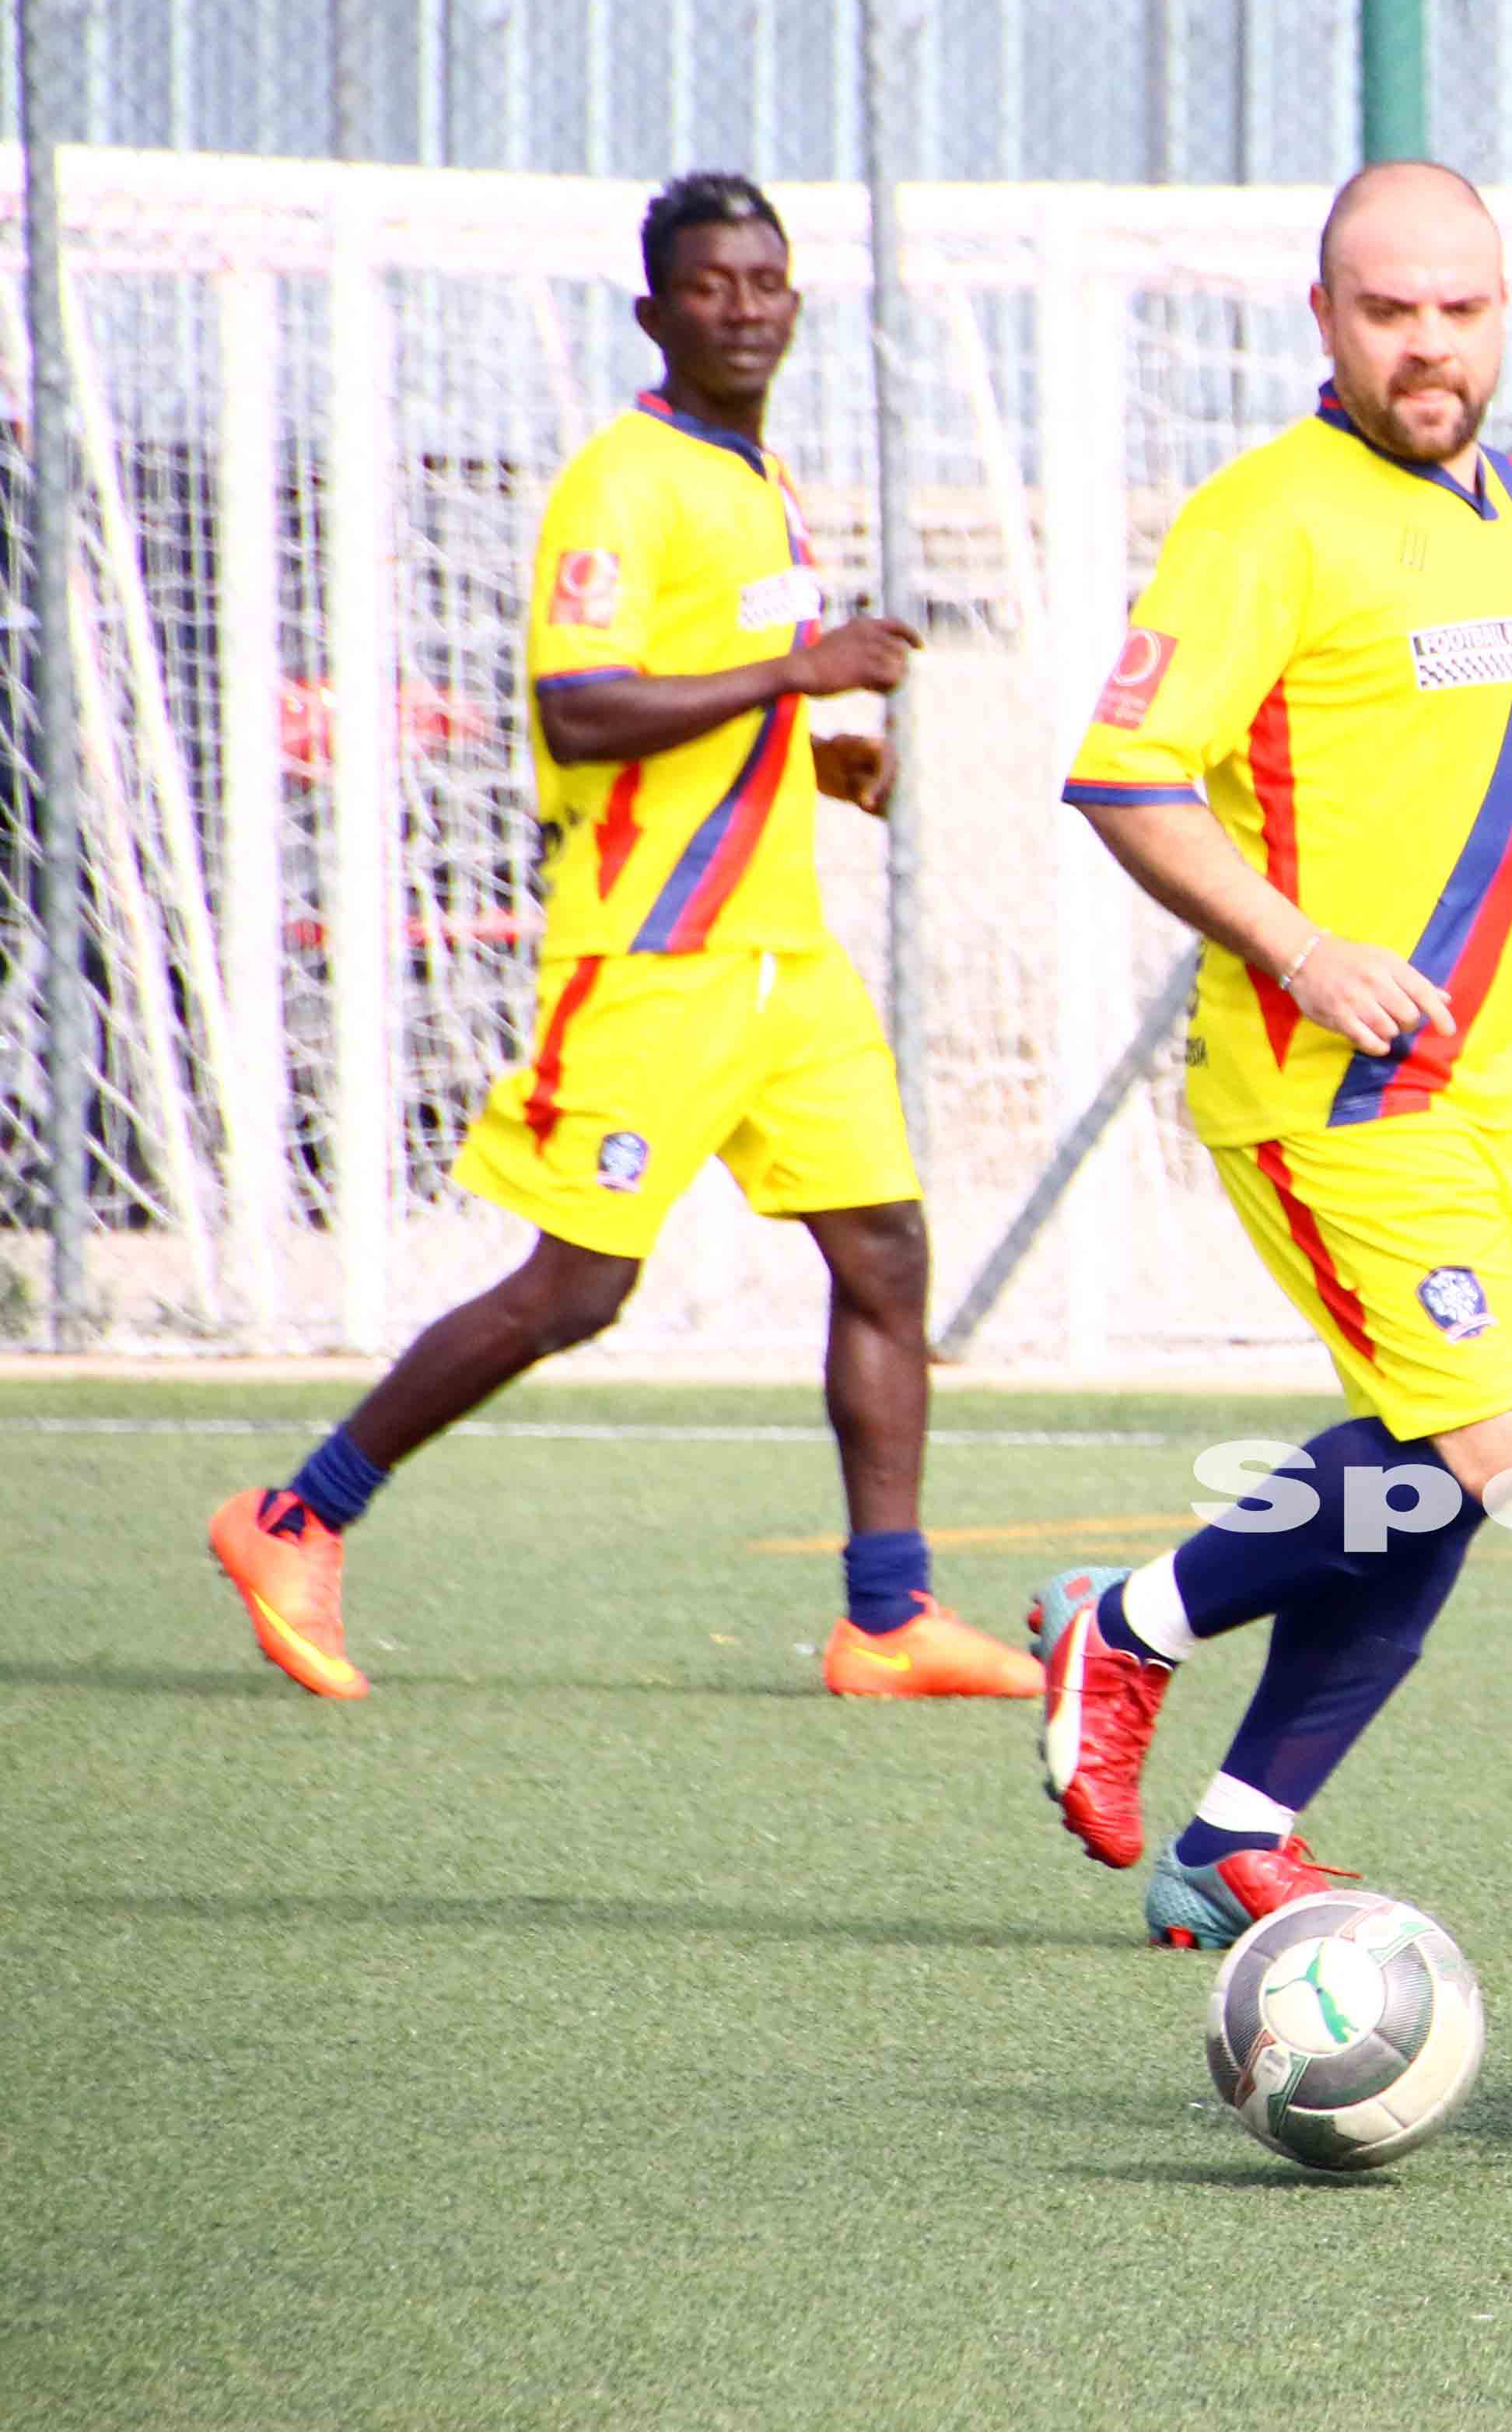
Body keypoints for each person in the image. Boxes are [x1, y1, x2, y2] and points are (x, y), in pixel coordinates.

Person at [1027, 163, 1512, 1948]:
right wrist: (1302, 945)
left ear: (1498, 313)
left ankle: (1238, 1830)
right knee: (1487, 1419)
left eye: (1458, 306)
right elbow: (1122, 778)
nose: (1426, 341)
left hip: (1488, 1081)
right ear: (1324, 321)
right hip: (1331, 1084)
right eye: (1388, 309)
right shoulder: (1261, 521)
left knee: (1476, 1439)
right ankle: (1124, 1628)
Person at [204, 174, 1034, 1703]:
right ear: (655, 312)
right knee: (576, 1290)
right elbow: (579, 708)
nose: (747, 306)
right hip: (653, 956)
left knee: (886, 1257)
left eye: (768, 281)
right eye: (713, 285)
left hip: (786, 957)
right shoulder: (621, 480)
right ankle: (295, 1515)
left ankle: (889, 1615)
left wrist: (817, 758)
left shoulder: (757, 477)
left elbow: (701, 691)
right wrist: (801, 676)